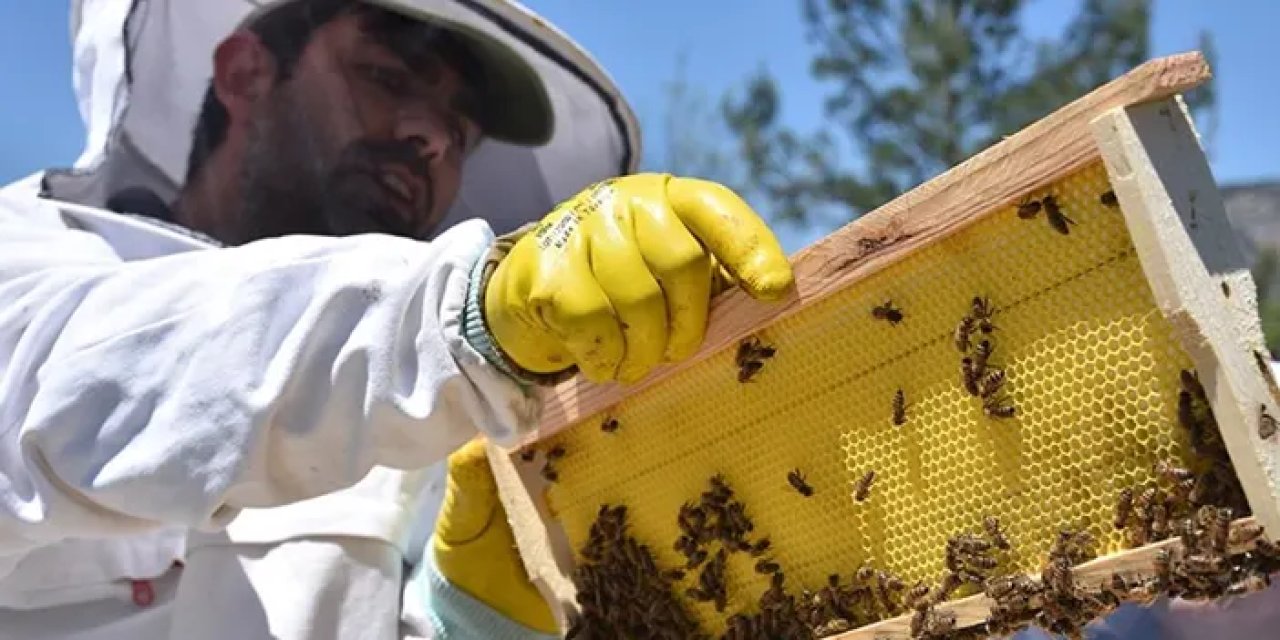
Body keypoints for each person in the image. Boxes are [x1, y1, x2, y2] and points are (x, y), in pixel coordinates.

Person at [0, 0, 794, 638]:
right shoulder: (32, 261)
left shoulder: (428, 419)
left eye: (463, 128)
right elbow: (93, 381)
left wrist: (463, 626)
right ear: (245, 74)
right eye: (386, 75)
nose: (436, 137)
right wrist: (461, 317)